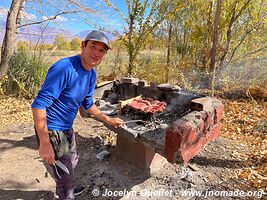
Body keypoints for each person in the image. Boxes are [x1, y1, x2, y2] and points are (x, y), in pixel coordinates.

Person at [32, 30, 124, 199]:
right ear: (83, 45)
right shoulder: (64, 68)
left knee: (72, 161)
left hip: (67, 127)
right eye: (93, 46)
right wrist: (45, 142)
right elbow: (39, 104)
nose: (96, 53)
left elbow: (88, 103)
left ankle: (66, 184)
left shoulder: (91, 74)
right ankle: (66, 191)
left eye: (102, 50)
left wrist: (108, 119)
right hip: (52, 128)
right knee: (65, 174)